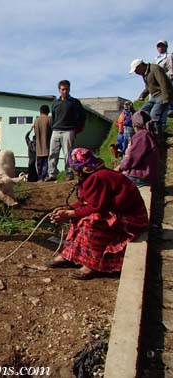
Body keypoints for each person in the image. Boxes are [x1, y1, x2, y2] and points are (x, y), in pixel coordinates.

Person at [47, 148, 149, 280]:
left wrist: (70, 213)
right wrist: (67, 208)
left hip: (132, 217)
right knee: (77, 217)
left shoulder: (97, 178)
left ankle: (91, 264)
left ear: (79, 168)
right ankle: (70, 255)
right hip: (115, 210)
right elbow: (87, 202)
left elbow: (97, 207)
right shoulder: (93, 176)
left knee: (92, 222)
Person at [46, 80, 86, 182]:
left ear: (69, 89)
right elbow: (53, 117)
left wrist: (78, 128)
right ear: (59, 90)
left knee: (68, 154)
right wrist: (53, 128)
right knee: (52, 153)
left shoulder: (74, 102)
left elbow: (82, 116)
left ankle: (69, 173)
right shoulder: (55, 103)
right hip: (56, 130)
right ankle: (52, 174)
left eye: (67, 89)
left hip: (68, 131)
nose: (65, 91)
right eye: (63, 89)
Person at [130, 58, 173, 137]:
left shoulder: (154, 68)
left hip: (161, 94)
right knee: (142, 113)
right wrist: (143, 95)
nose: (136, 73)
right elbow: (148, 86)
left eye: (136, 71)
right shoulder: (145, 74)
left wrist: (166, 98)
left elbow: (163, 82)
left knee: (154, 115)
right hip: (154, 96)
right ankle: (147, 132)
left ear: (141, 66)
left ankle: (158, 136)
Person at [115, 111, 159, 187]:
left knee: (113, 184)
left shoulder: (141, 136)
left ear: (134, 124)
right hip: (148, 174)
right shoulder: (148, 134)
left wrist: (119, 167)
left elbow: (132, 158)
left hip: (139, 176)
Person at [155, 40, 173, 118]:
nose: (160, 48)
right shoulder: (156, 59)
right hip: (157, 83)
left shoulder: (169, 56)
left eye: (162, 46)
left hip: (167, 81)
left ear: (166, 47)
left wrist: (165, 78)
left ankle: (171, 108)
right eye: (159, 46)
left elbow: (171, 70)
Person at [33, 105, 51, 181]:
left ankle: (40, 178)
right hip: (47, 145)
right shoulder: (49, 119)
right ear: (48, 111)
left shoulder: (36, 120)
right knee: (46, 163)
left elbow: (34, 132)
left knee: (39, 164)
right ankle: (44, 177)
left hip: (38, 147)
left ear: (40, 111)